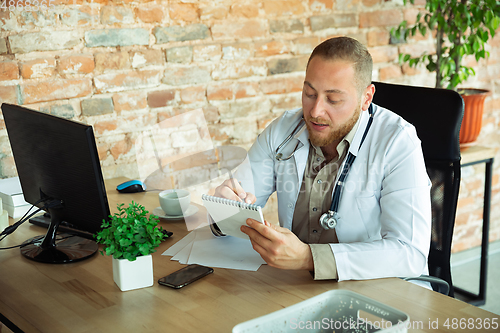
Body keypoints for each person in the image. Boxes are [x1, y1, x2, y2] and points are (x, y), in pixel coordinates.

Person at [214, 36, 431, 282]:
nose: (315, 111)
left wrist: (309, 257)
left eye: (333, 99)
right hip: (297, 285)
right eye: (309, 93)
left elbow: (410, 253)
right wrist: (222, 210)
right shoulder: (283, 131)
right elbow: (240, 205)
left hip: (377, 288)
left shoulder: (398, 141)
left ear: (366, 98)